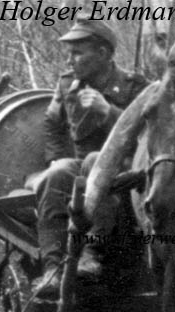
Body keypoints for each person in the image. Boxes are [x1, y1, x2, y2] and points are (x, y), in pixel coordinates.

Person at [29, 16, 148, 296]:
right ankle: (52, 268)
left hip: (128, 171)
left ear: (103, 54)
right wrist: (56, 159)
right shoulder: (68, 83)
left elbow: (148, 135)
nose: (70, 61)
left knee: (97, 161)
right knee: (55, 176)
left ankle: (90, 253)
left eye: (78, 53)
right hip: (83, 167)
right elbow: (52, 123)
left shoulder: (134, 87)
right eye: (69, 53)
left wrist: (109, 112)